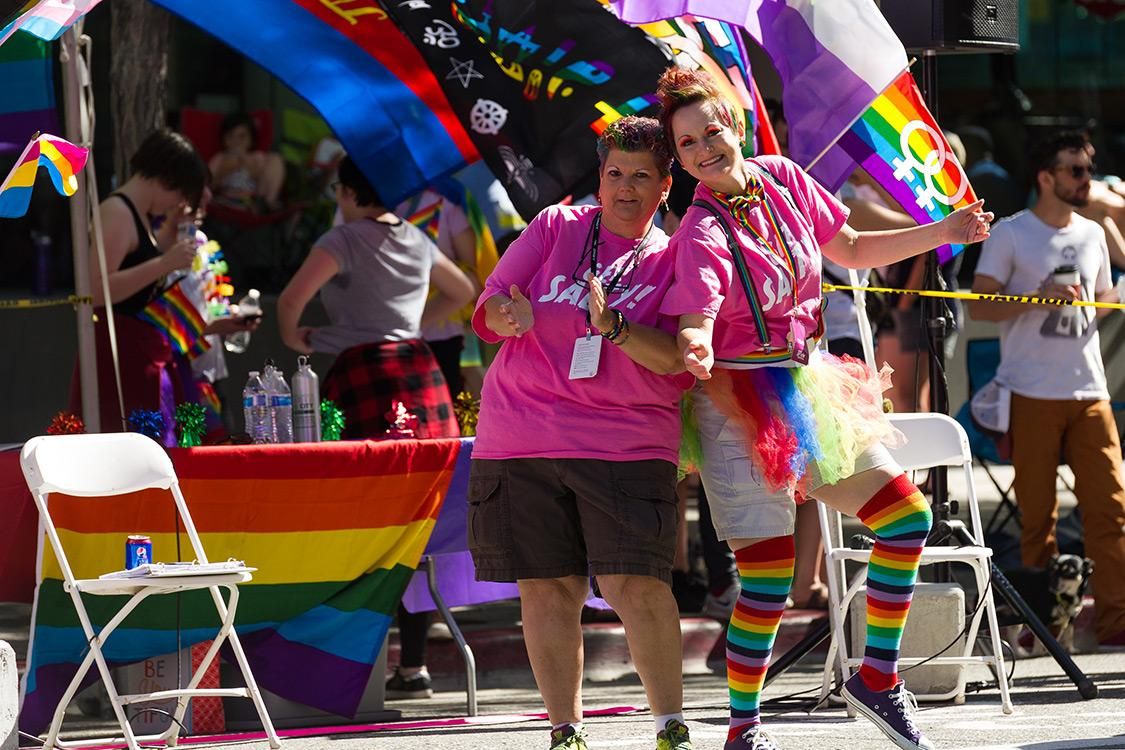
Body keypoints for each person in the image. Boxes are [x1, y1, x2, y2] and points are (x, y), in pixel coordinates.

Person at [657, 68, 993, 750]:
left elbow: (853, 250)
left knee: (906, 518)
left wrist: (943, 229)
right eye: (686, 143)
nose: (702, 149)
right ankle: (743, 728)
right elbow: (700, 306)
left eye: (711, 131)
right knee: (768, 579)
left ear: (737, 126)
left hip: (806, 386)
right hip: (733, 400)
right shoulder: (698, 230)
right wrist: (693, 341)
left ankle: (875, 678)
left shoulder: (783, 177)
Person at [467, 116, 693, 750]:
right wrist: (504, 316)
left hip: (625, 442)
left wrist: (614, 326)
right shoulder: (555, 226)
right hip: (521, 433)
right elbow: (491, 303)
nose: (624, 189)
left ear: (665, 185)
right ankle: (565, 731)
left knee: (635, 585)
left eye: (640, 177)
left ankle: (669, 727)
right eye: (614, 174)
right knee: (546, 587)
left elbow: (675, 359)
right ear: (600, 176)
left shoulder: (677, 259)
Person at [968, 130, 1125, 648]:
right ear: (1046, 177)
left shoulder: (1094, 233)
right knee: (1038, 519)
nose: (1087, 180)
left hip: (1088, 389)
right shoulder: (1011, 234)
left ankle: (1115, 624)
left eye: (1088, 169)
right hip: (1030, 390)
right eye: (1076, 170)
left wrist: (1091, 306)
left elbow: (1103, 298)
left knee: (1110, 511)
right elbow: (981, 306)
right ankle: (1042, 632)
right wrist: (1038, 298)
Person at [69, 129, 258, 444]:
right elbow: (96, 292)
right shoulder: (117, 212)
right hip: (119, 352)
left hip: (139, 353)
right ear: (168, 179)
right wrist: (163, 263)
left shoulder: (137, 216)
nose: (178, 204)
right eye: (180, 194)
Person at [277, 155, 474, 438]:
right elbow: (462, 291)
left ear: (348, 191)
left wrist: (291, 337)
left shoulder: (341, 239)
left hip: (364, 371)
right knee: (431, 474)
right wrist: (412, 325)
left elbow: (291, 300)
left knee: (364, 477)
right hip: (417, 366)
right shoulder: (417, 238)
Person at [208, 112, 286, 212]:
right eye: (230, 136)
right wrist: (226, 169)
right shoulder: (220, 158)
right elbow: (209, 184)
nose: (236, 141)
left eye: (242, 137)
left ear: (251, 140)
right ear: (223, 139)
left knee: (276, 159)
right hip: (227, 200)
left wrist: (247, 164)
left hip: (252, 200)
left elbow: (263, 179)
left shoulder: (257, 157)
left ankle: (267, 203)